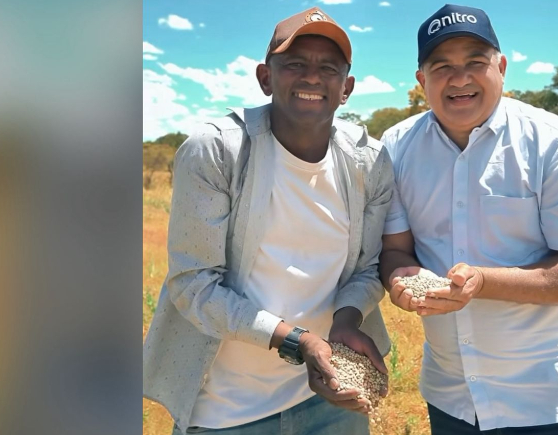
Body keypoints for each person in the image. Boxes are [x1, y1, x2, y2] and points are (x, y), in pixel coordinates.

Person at [143, 7, 395, 435]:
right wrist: (299, 341)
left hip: (330, 400)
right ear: (265, 77)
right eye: (295, 64)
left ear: (347, 87)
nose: (312, 77)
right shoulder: (217, 151)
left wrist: (346, 321)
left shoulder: (368, 162)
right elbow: (193, 285)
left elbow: (368, 269)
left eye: (328, 68)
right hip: (226, 409)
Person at [379, 4, 558, 435]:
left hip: (551, 401)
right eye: (442, 66)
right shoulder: (397, 146)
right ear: (422, 81)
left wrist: (483, 282)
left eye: (475, 63)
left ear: (501, 67)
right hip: (451, 398)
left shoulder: (551, 143)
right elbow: (395, 249)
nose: (459, 78)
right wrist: (398, 279)